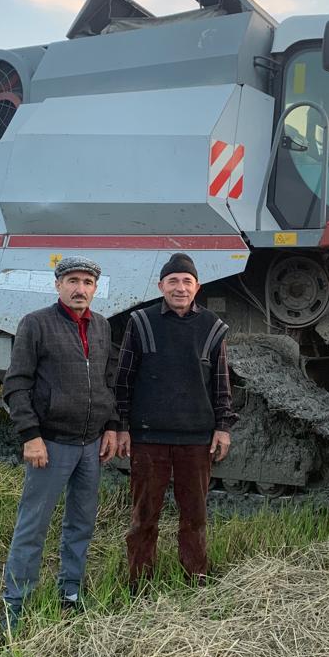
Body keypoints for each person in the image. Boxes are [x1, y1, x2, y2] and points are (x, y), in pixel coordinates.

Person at [1, 256, 118, 630]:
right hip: (50, 445)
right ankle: (15, 605)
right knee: (33, 526)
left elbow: (107, 381)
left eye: (87, 282)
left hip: (90, 446)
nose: (80, 289)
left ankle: (70, 592)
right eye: (72, 281)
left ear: (95, 288)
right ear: (58, 285)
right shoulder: (36, 324)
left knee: (81, 523)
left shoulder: (102, 327)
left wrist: (112, 425)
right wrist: (30, 435)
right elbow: (16, 384)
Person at [115, 252, 236, 590]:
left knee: (194, 516)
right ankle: (140, 583)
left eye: (186, 281)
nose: (180, 288)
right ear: (161, 286)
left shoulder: (212, 326)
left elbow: (221, 382)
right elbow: (123, 378)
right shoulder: (141, 322)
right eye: (173, 281)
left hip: (196, 439)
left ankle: (195, 578)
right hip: (148, 438)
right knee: (144, 516)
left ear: (197, 287)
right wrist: (122, 426)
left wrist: (223, 427)